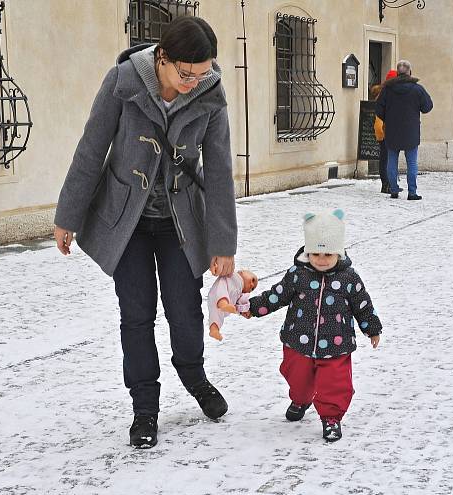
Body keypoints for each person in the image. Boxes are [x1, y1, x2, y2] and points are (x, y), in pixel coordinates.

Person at [53, 16, 238, 449]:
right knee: (136, 315)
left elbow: (221, 170)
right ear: (163, 58)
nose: (194, 81)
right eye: (185, 73)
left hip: (180, 221)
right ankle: (145, 406)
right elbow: (91, 147)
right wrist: (69, 216)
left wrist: (223, 243)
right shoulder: (123, 82)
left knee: (185, 310)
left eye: (203, 71)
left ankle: (194, 376)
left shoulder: (210, 93)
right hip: (127, 221)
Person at [245, 210, 382, 442]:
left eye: (328, 253)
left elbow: (363, 304)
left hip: (336, 345)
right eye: (315, 253)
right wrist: (254, 307)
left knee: (334, 384)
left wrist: (372, 328)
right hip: (298, 341)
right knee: (297, 378)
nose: (321, 258)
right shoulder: (298, 275)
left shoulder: (349, 278)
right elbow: (276, 295)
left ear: (338, 251)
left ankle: (331, 418)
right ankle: (301, 398)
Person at [375, 60, 433, 200]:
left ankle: (393, 190)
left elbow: (378, 109)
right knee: (412, 163)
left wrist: (388, 117)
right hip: (411, 131)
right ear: (409, 72)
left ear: (397, 73)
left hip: (392, 130)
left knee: (392, 161)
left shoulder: (387, 90)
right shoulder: (417, 89)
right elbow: (427, 107)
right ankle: (412, 192)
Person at [370, 70, 399, 195]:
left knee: (387, 159)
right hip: (385, 131)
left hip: (388, 131)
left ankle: (390, 184)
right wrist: (382, 133)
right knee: (386, 159)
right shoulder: (384, 96)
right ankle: (386, 185)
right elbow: (379, 118)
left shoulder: (387, 94)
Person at [207, 269, 257, 341]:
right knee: (222, 289)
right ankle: (223, 304)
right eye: (253, 280)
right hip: (219, 293)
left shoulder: (241, 294)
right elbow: (223, 267)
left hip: (221, 306)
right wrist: (215, 267)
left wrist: (243, 311)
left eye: (252, 289)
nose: (252, 285)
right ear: (242, 272)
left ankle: (214, 330)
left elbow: (239, 306)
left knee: (216, 316)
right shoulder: (233, 275)